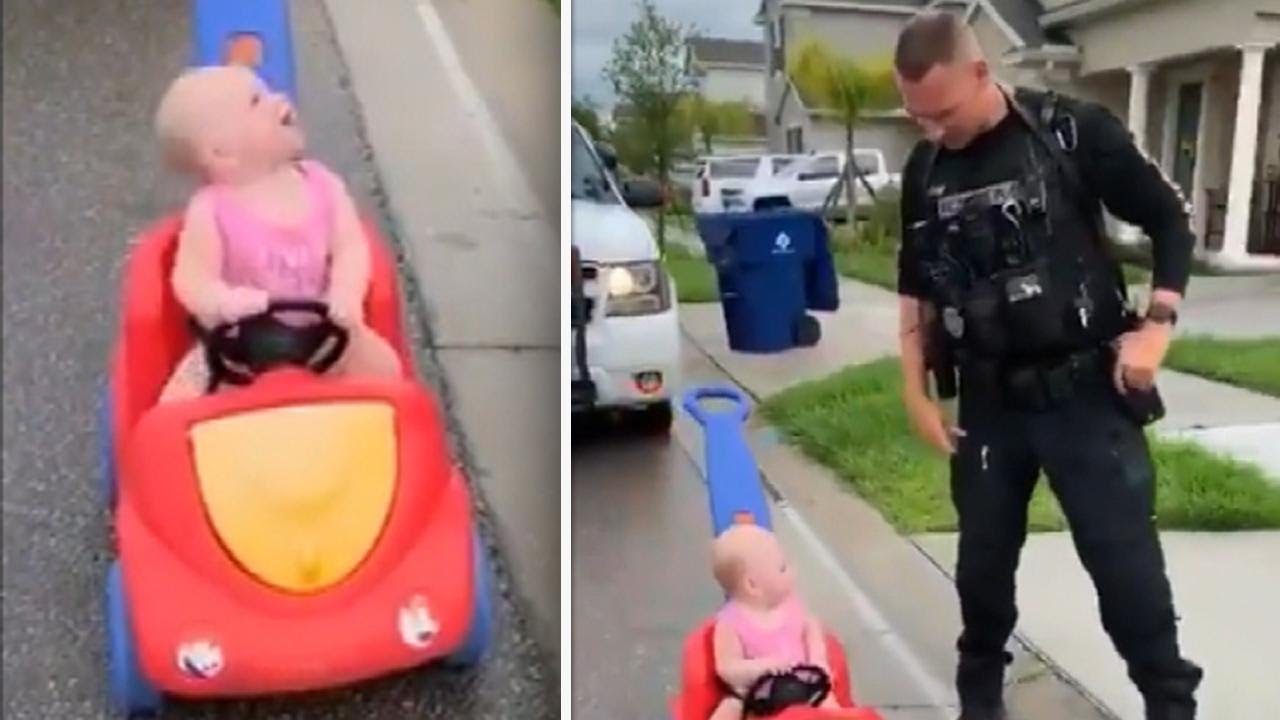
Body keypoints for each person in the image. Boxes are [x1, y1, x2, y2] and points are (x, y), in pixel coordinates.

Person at [891, 11, 1203, 720]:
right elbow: (915, 284)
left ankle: (1170, 704)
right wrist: (915, 389)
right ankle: (979, 699)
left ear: (981, 73)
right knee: (982, 570)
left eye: (942, 113)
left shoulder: (1071, 132)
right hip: (989, 400)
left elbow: (1171, 219)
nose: (932, 130)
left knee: (1126, 573)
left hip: (1084, 394)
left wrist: (1157, 326)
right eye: (916, 117)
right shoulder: (925, 169)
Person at [152, 65, 402, 402]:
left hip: (327, 333)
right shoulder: (210, 209)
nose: (278, 99)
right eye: (256, 101)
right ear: (222, 153)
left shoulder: (323, 185)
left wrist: (346, 294)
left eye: (268, 91)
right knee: (177, 402)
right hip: (237, 345)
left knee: (388, 374)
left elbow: (351, 247)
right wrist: (224, 303)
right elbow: (191, 280)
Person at [709, 523, 839, 719]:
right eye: (782, 568)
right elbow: (726, 668)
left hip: (803, 682)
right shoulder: (730, 622)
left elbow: (811, 627)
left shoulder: (791, 603)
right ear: (752, 585)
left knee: (831, 705)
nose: (793, 571)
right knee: (730, 708)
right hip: (758, 694)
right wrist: (761, 667)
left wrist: (818, 659)